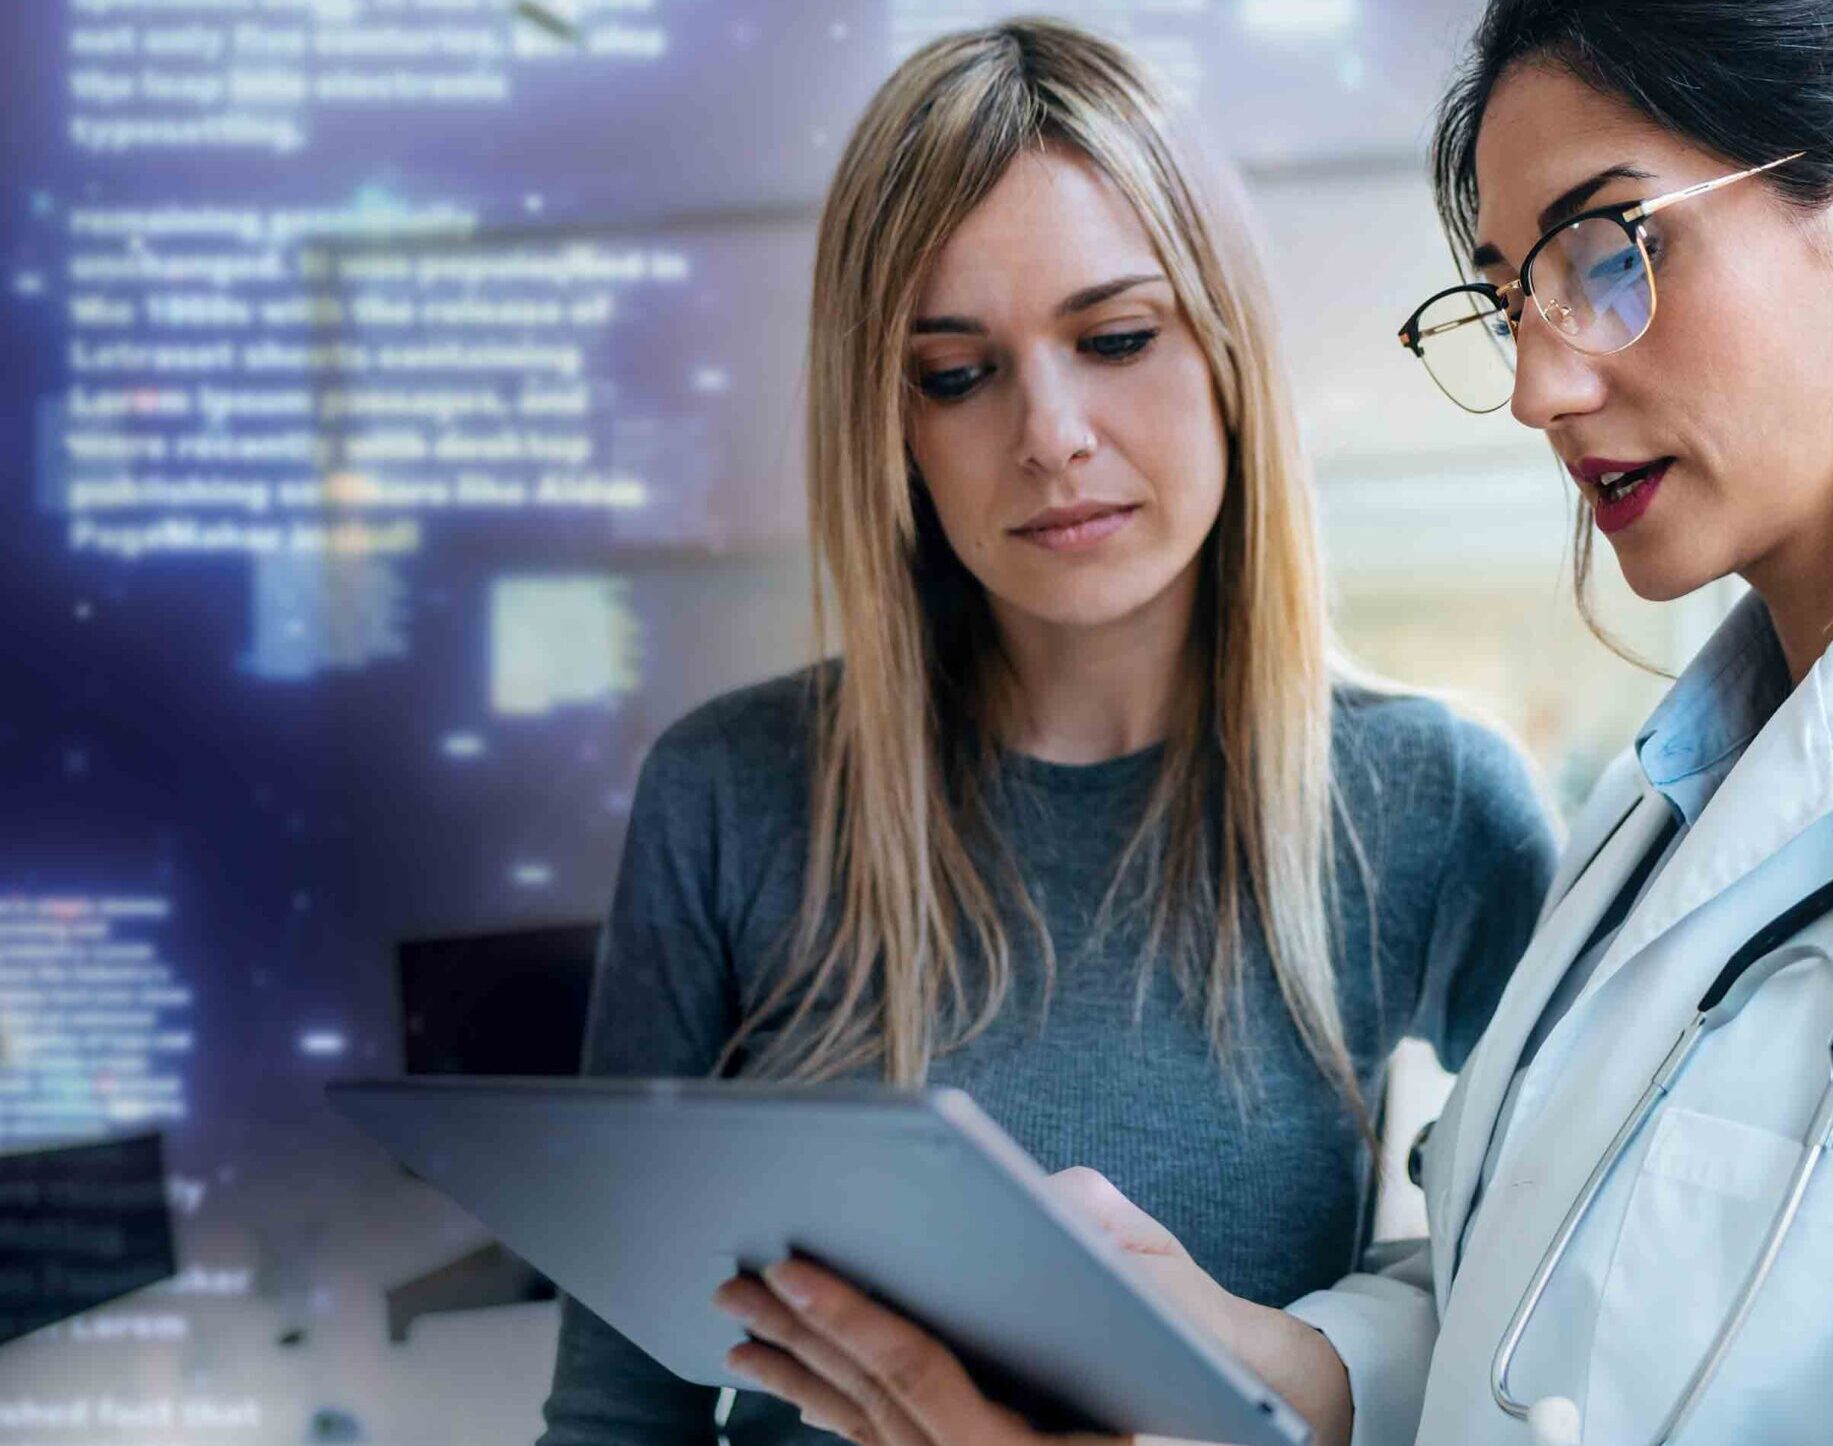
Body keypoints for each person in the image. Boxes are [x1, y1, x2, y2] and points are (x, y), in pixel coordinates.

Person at [710, 2, 1833, 1442]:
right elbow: (1513, 1314)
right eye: (1513, 292)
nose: (1540, 382)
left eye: (1613, 254)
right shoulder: (1668, 803)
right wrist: (1258, 1357)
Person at [534, 19, 1558, 1445]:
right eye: (957, 373)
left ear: (1225, 351)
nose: (1052, 432)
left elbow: (1566, 1314)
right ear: (888, 423)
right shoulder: (730, 795)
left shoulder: (1427, 802)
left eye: (1117, 337)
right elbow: (614, 1414)